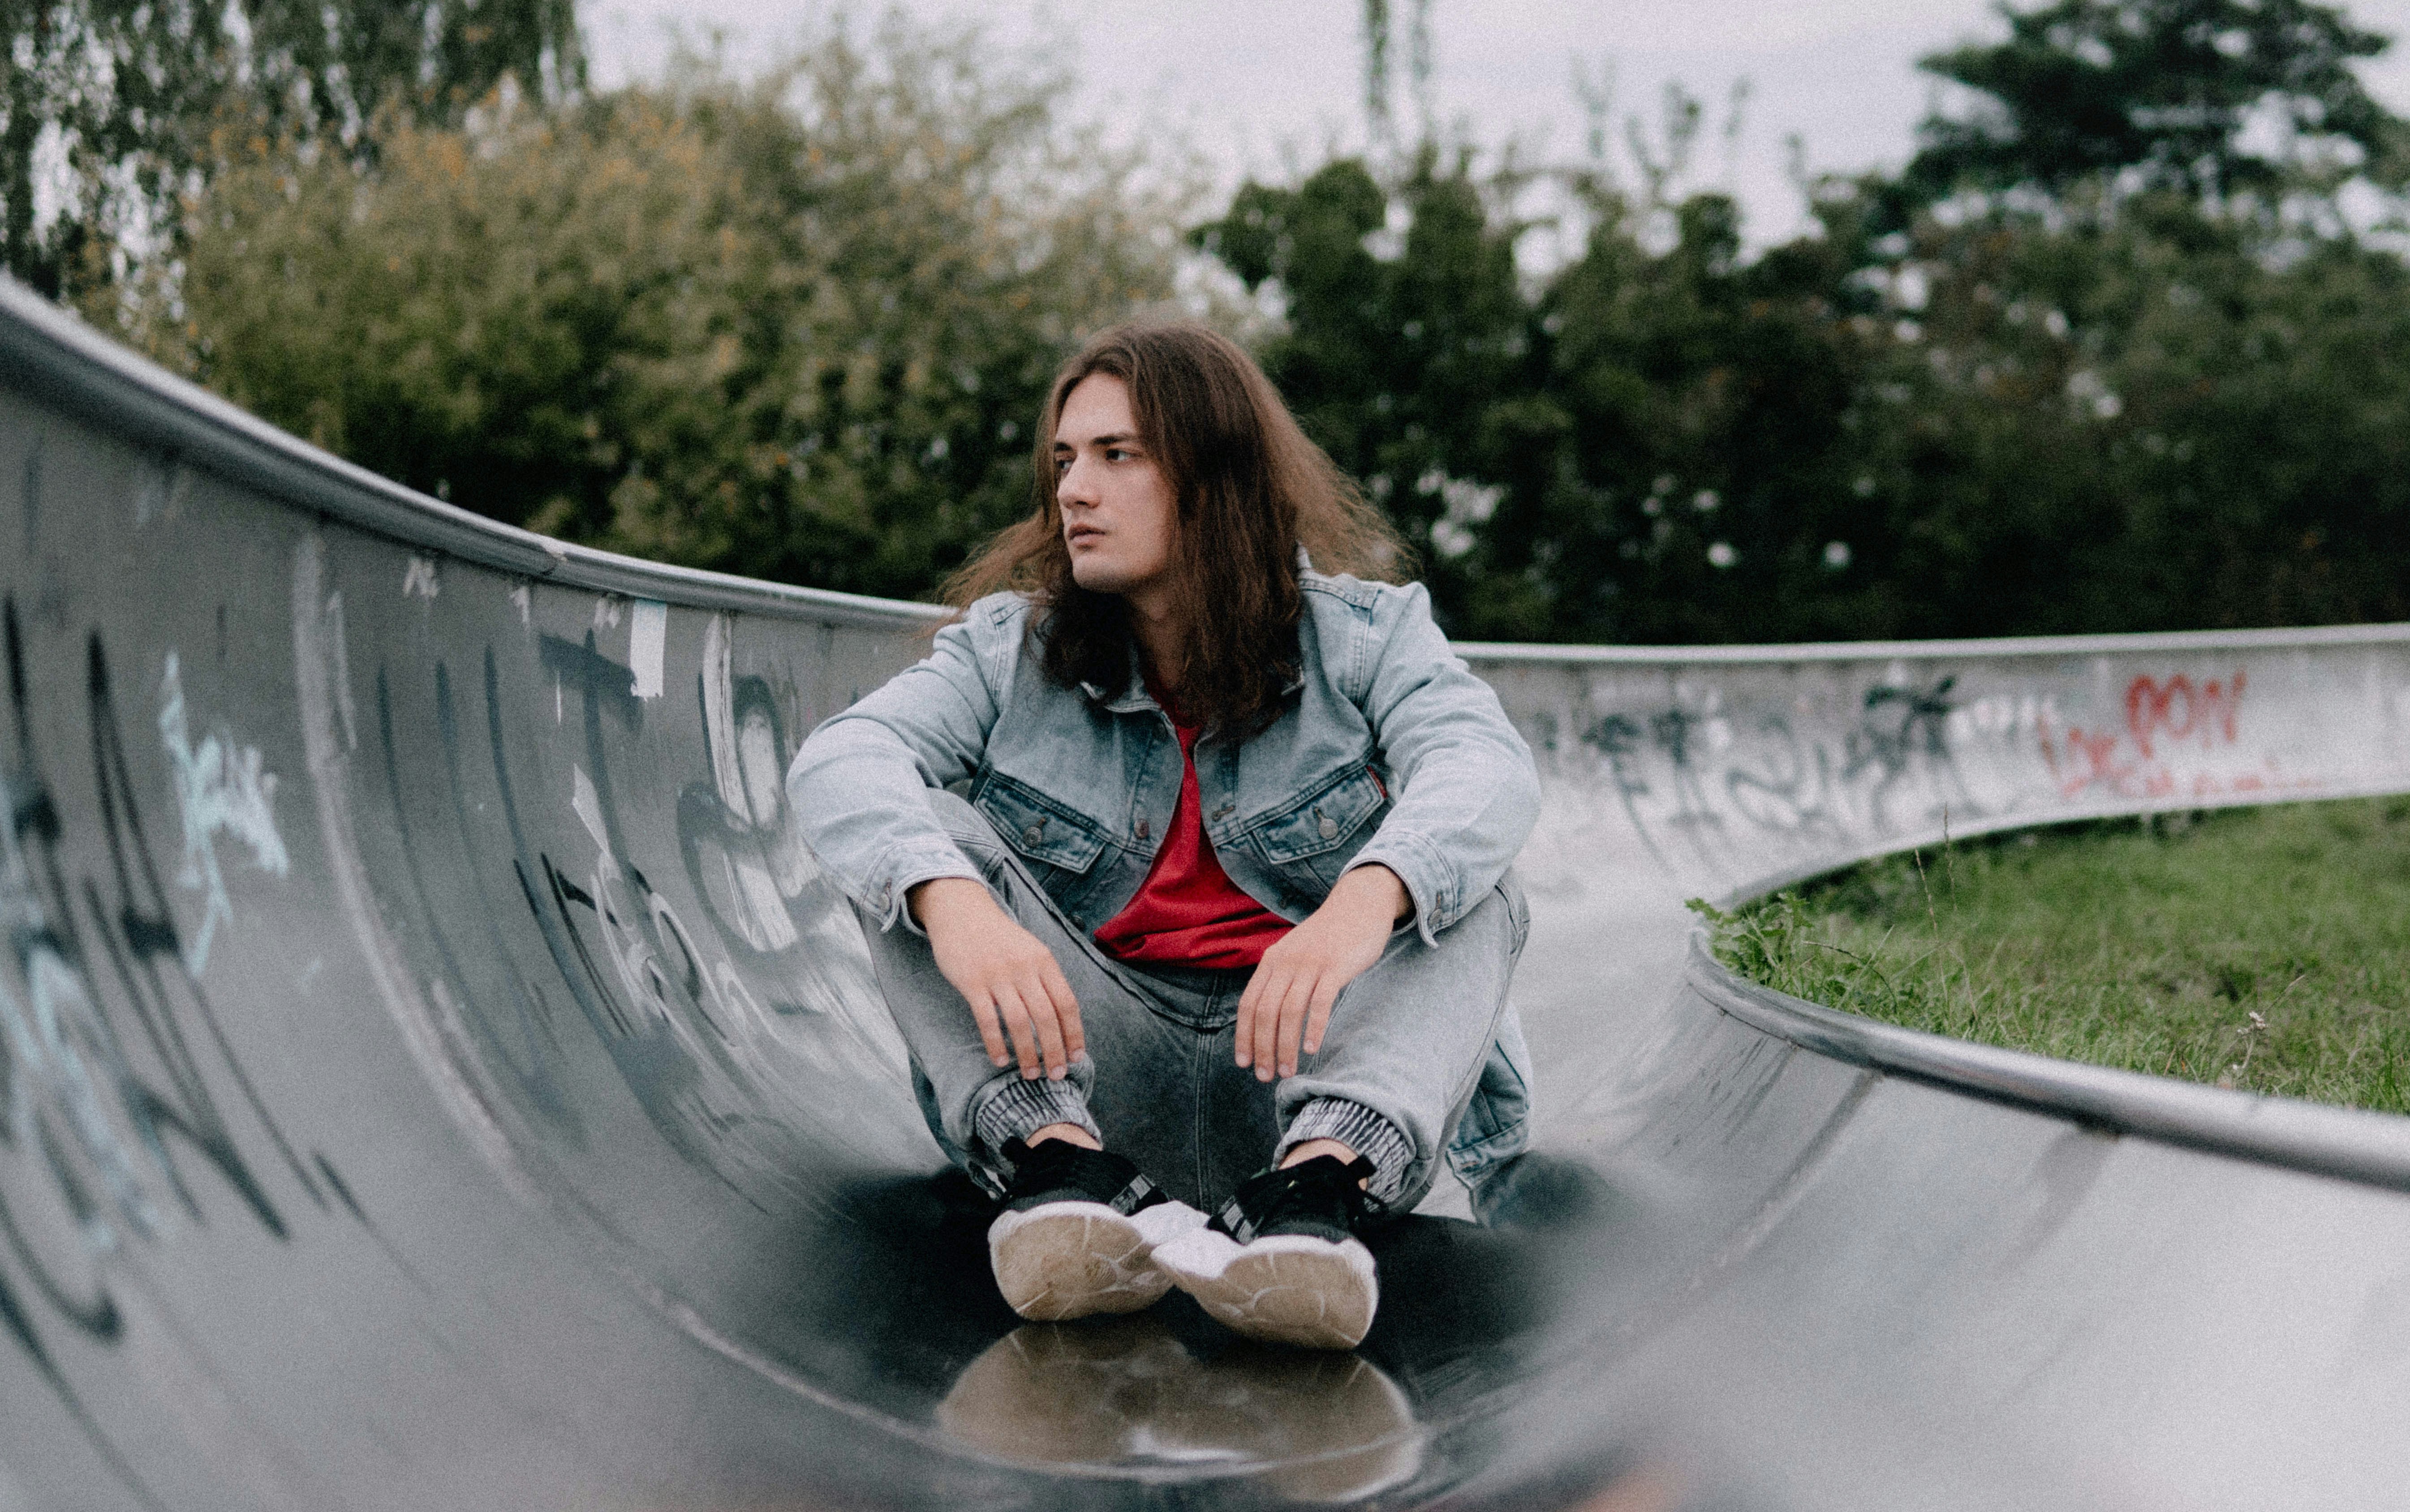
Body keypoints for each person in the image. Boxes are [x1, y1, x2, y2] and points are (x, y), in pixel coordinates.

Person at [788, 322, 1538, 1350]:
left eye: (1116, 455)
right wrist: (953, 904)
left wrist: (1362, 899)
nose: (1072, 491)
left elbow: (1483, 765)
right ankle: (1060, 1180)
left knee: (1464, 878)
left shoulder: (1365, 638)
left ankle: (1313, 1199)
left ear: (1213, 474)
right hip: (1091, 1087)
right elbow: (843, 757)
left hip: (1299, 1084)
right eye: (1063, 460)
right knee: (917, 841)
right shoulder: (1012, 650)